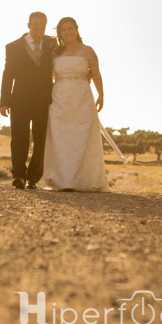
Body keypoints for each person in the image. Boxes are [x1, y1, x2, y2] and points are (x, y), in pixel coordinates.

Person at [40, 16, 109, 192]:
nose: (68, 32)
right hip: (59, 98)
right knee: (60, 137)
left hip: (82, 97)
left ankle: (83, 180)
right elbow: (49, 76)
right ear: (60, 33)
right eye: (64, 30)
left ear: (77, 30)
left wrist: (101, 95)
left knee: (81, 137)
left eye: (71, 28)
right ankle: (62, 180)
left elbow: (96, 74)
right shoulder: (55, 52)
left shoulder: (88, 51)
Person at [0, 12, 56, 190]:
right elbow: (7, 75)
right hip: (20, 100)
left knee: (41, 140)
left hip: (44, 100)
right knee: (19, 139)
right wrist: (4, 101)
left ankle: (33, 178)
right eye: (35, 27)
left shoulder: (52, 43)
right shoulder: (13, 47)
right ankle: (19, 176)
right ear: (28, 25)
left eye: (42, 28)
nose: (39, 32)